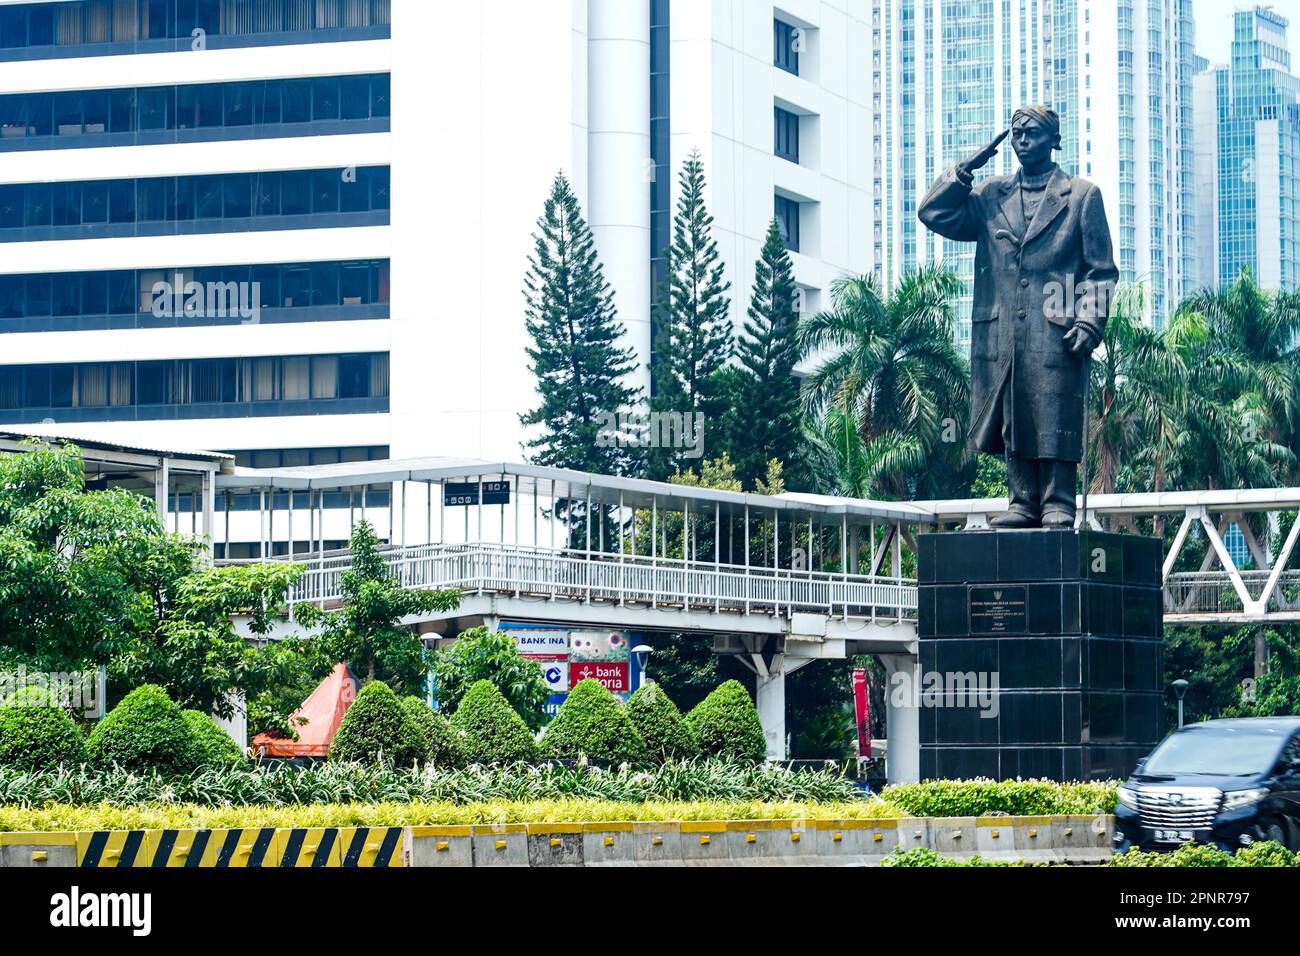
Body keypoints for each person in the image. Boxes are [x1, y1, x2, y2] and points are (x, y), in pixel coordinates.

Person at [918, 105, 1119, 528]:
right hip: (1003, 328)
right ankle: (1022, 500)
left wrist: (1089, 321)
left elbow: (1100, 271)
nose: (1022, 141)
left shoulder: (1082, 196)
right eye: (1016, 133)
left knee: (1053, 409)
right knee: (1013, 411)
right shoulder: (990, 196)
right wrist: (965, 169)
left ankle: (1058, 501)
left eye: (1032, 133)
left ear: (1053, 140)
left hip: (1056, 327)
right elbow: (933, 213)